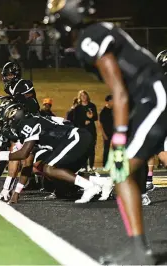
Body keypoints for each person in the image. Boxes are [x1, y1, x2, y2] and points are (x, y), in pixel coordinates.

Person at [45, 0, 167, 263]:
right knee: (122, 172)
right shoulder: (96, 32)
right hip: (147, 98)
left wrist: (120, 139)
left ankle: (138, 249)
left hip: (154, 96)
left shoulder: (89, 39)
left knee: (120, 168)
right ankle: (137, 247)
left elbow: (120, 93)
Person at [73, 90, 98, 171]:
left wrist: (91, 117)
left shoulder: (92, 106)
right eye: (82, 96)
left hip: (91, 130)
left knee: (91, 148)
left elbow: (96, 118)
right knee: (83, 149)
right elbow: (75, 120)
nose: (83, 97)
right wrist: (83, 122)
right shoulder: (77, 108)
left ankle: (91, 166)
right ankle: (83, 166)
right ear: (79, 97)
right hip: (82, 130)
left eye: (85, 95)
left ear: (87, 96)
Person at [99, 95, 114, 168]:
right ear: (107, 102)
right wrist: (104, 134)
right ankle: (105, 165)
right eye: (111, 101)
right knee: (107, 149)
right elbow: (100, 124)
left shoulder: (115, 110)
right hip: (107, 133)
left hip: (115, 133)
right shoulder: (103, 112)